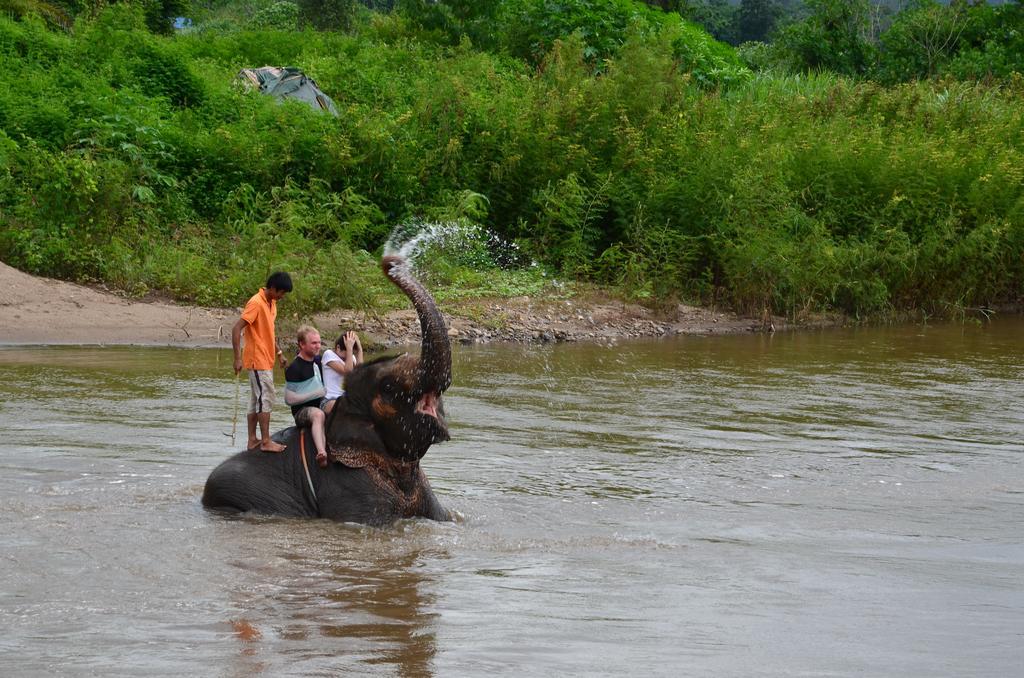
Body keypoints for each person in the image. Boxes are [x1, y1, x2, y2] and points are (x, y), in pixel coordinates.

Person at [232, 271, 292, 453]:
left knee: (255, 399)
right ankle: (265, 441)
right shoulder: (256, 303)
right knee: (265, 397)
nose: (281, 297)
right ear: (272, 288)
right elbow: (236, 329)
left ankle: (252, 439)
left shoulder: (271, 303)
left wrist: (279, 353)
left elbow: (269, 331)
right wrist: (237, 358)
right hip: (257, 358)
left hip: (266, 358)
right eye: (280, 293)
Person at [284, 326, 330, 468]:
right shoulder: (294, 367)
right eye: (313, 343)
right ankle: (321, 452)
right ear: (302, 345)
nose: (318, 346)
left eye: (319, 342)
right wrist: (315, 393)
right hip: (302, 412)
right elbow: (289, 399)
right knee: (318, 414)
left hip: (320, 405)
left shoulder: (319, 361)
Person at [321, 330, 363, 415]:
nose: (349, 355)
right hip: (330, 400)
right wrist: (349, 349)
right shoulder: (328, 354)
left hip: (347, 398)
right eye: (347, 352)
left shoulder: (351, 357)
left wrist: (359, 350)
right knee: (347, 407)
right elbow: (348, 373)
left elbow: (360, 373)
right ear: (338, 348)